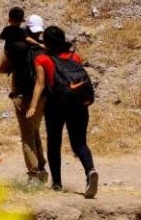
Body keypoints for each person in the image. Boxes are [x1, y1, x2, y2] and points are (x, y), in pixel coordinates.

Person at [27, 26, 99, 198]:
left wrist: (33, 106)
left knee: (54, 143)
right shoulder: (75, 56)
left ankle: (57, 184)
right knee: (80, 143)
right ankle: (90, 171)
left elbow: (40, 84)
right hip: (78, 106)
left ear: (48, 42)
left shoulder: (43, 59)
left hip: (55, 106)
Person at [0, 7, 48, 182]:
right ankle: (42, 166)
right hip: (42, 98)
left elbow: (3, 68)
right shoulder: (44, 49)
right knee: (34, 131)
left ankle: (35, 174)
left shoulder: (18, 47)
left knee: (27, 137)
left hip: (23, 96)